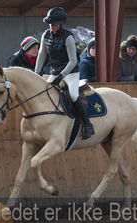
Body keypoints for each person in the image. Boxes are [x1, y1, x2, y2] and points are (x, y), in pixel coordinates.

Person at [35, 7, 94, 139]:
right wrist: (36, 73)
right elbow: (41, 54)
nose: (51, 26)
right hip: (55, 71)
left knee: (73, 96)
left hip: (71, 73)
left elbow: (73, 61)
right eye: (50, 23)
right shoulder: (46, 35)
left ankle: (88, 125)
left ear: (61, 23)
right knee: (44, 92)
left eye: (54, 23)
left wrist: (62, 75)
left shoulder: (68, 37)